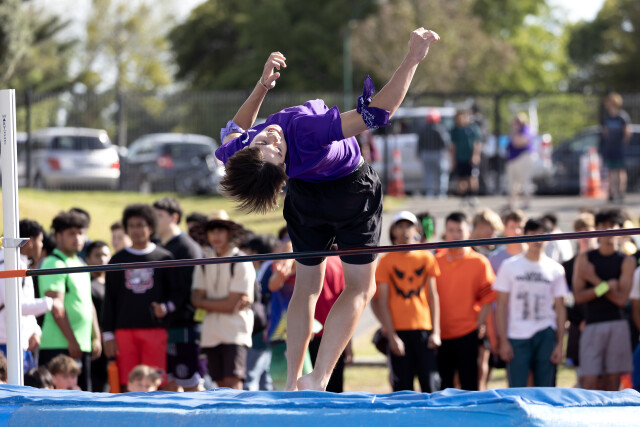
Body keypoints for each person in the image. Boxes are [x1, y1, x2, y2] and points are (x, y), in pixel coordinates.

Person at [216, 27, 440, 391]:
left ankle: (293, 381)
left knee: (307, 286)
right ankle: (316, 377)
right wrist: (413, 58)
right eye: (277, 152)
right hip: (351, 191)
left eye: (264, 143)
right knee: (360, 287)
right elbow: (378, 113)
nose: (272, 138)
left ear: (247, 152)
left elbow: (233, 129)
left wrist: (262, 86)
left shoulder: (239, 155)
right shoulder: (306, 131)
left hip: (305, 198)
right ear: (282, 168)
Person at [102, 204, 176, 391]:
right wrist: (108, 334)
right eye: (132, 225)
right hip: (123, 332)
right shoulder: (117, 259)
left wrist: (165, 308)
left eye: (140, 225)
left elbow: (177, 294)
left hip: (155, 331)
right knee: (129, 384)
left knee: (154, 383)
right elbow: (109, 299)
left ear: (151, 227)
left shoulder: (165, 258)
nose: (136, 230)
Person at [494, 218, 568, 387]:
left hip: (545, 331)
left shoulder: (555, 269)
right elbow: (501, 305)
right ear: (525, 235)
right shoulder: (509, 266)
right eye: (533, 234)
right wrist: (503, 340)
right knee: (517, 389)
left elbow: (560, 308)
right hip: (517, 333)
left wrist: (559, 344)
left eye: (542, 234)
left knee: (545, 389)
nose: (538, 239)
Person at [372, 211, 441, 392]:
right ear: (393, 230)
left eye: (409, 226)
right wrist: (391, 334)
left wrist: (436, 332)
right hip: (398, 331)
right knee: (402, 389)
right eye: (400, 226)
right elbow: (380, 300)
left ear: (416, 229)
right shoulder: (386, 260)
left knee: (431, 385)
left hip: (424, 329)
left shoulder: (426, 257)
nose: (405, 230)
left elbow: (433, 296)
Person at [38, 210, 101, 392]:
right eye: (71, 233)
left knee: (82, 399)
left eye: (81, 233)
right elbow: (55, 307)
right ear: (58, 235)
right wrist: (72, 341)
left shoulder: (80, 264)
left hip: (80, 345)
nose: (78, 238)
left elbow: (88, 303)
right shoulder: (53, 263)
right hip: (59, 345)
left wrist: (96, 337)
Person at [573, 208, 635, 390]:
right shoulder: (584, 258)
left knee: (613, 381)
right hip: (592, 323)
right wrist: (606, 286)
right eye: (603, 225)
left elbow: (621, 300)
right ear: (597, 229)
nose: (608, 230)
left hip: (617, 324)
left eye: (612, 225)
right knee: (589, 381)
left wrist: (595, 281)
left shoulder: (627, 261)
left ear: (620, 229)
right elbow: (578, 297)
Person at [191, 215, 254, 390]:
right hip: (210, 332)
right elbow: (195, 299)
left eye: (220, 231)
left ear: (229, 234)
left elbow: (229, 305)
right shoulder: (203, 262)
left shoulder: (241, 260)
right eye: (211, 231)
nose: (215, 236)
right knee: (218, 383)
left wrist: (205, 302)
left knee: (233, 382)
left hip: (235, 331)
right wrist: (226, 304)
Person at [435, 212, 496, 391]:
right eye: (451, 230)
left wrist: (480, 324)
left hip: (468, 333)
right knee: (443, 388)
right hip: (440, 334)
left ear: (468, 232)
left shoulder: (479, 262)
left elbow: (489, 298)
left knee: (469, 385)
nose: (455, 235)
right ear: (445, 233)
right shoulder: (435, 262)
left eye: (459, 230)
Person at [153, 197, 206, 392]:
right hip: (162, 326)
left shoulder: (188, 248)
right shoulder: (156, 245)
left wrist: (167, 307)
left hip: (185, 326)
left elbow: (188, 289)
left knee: (191, 383)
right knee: (166, 384)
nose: (154, 221)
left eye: (159, 216)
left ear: (174, 217)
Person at [0, 219, 53, 373]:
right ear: (30, 241)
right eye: (41, 241)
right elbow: (15, 306)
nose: (41, 246)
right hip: (7, 344)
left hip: (16, 343)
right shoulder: (10, 264)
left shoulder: (16, 263)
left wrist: (35, 331)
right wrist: (50, 303)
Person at [240, 233, 278, 391]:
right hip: (270, 328)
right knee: (265, 379)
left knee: (250, 377)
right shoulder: (272, 267)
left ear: (254, 253)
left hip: (258, 330)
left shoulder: (262, 271)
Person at [309, 255, 352, 393]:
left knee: (308, 387)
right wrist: (349, 344)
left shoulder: (306, 261)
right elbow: (349, 308)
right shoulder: (341, 264)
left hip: (308, 333)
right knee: (334, 388)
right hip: (336, 334)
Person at [562, 212, 596, 383]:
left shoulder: (605, 260)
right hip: (578, 325)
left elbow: (607, 290)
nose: (585, 237)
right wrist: (577, 320)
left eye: (588, 231)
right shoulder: (567, 266)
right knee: (581, 376)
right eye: (580, 232)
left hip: (600, 321)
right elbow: (564, 299)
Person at [85, 241, 111, 392]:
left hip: (113, 343)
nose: (102, 259)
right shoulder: (86, 285)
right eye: (97, 255)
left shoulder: (113, 284)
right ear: (87, 259)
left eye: (105, 255)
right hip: (95, 346)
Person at [600, 92, 632, 202]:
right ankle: (612, 192)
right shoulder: (607, 117)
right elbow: (605, 132)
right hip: (609, 148)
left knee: (620, 170)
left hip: (619, 148)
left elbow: (627, 132)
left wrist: (622, 144)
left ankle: (621, 192)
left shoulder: (622, 116)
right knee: (610, 170)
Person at [450, 109, 482, 206]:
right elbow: (453, 146)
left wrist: (476, 155)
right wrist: (453, 159)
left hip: (470, 158)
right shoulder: (455, 130)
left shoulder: (473, 128)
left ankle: (472, 196)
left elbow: (477, 143)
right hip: (460, 158)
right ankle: (463, 197)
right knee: (461, 179)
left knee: (472, 177)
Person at [506, 113, 536, 210]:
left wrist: (515, 135)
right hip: (513, 158)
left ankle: (526, 202)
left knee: (525, 180)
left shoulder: (526, 130)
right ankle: (511, 202)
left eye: (518, 122)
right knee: (513, 182)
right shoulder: (515, 131)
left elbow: (520, 142)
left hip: (523, 157)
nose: (516, 124)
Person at [418, 109, 451, 198]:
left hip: (426, 154)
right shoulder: (440, 128)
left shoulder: (423, 129)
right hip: (438, 154)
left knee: (428, 174)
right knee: (441, 174)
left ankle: (430, 192)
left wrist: (419, 154)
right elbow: (445, 142)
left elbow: (419, 143)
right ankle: (441, 193)